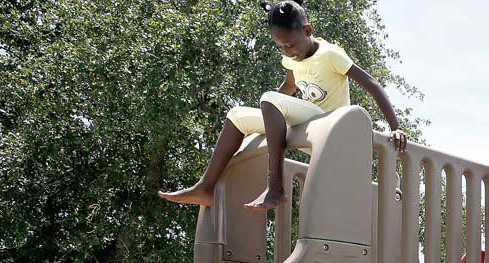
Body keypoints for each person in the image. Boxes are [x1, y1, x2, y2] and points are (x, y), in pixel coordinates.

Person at [159, 1, 407, 212]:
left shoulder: (330, 54)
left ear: (307, 30)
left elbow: (372, 84)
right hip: (305, 125)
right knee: (236, 116)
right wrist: (269, 113)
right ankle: (206, 187)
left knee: (269, 99)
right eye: (281, 47)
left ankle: (275, 188)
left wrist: (395, 127)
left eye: (290, 44)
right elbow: (288, 87)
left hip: (330, 123)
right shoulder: (291, 60)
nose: (287, 52)